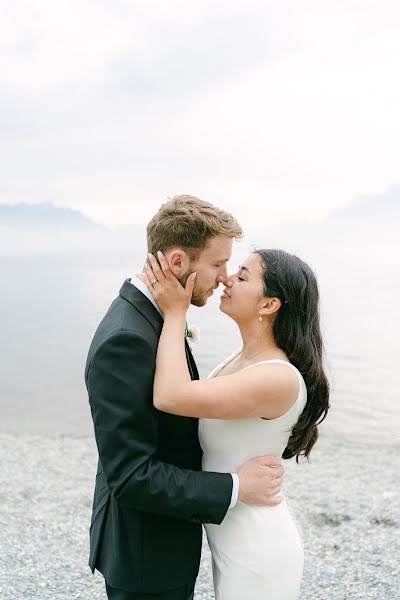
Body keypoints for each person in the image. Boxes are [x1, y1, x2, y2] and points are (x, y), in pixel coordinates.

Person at [85, 196, 285, 600]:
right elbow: (131, 476)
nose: (224, 277)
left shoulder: (157, 314)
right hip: (146, 555)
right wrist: (234, 486)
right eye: (217, 264)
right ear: (178, 262)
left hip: (161, 539)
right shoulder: (126, 339)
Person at [143, 246, 330, 600]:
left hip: (256, 550)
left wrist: (175, 313)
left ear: (268, 305)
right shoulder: (240, 358)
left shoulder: (277, 378)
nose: (226, 278)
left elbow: (171, 395)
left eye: (242, 277)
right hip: (231, 541)